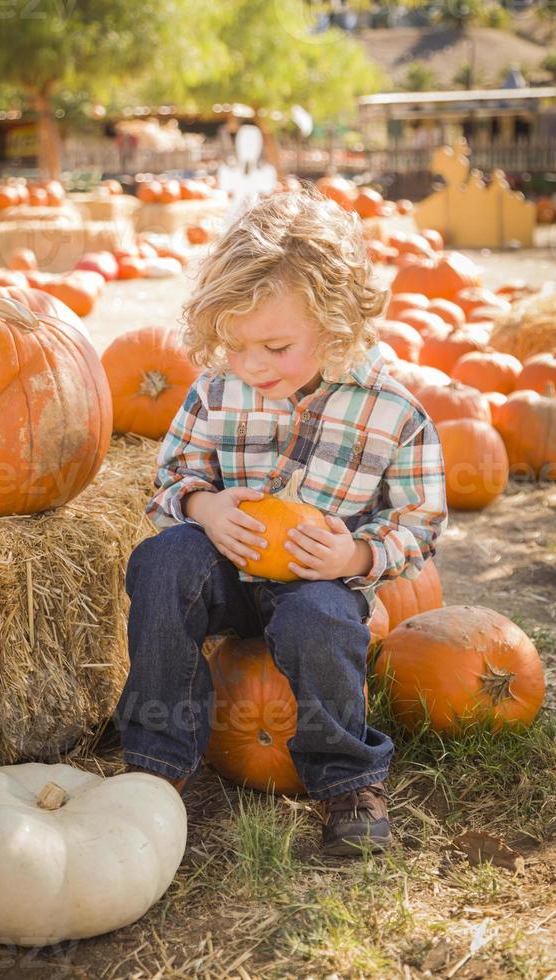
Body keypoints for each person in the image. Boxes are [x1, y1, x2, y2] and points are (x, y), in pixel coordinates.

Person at [112, 188, 448, 856]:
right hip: (226, 571)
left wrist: (353, 557)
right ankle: (156, 765)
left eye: (274, 345)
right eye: (235, 346)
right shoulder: (216, 390)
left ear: (338, 324)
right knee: (161, 561)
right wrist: (205, 508)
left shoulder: (393, 411)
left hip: (316, 582)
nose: (252, 365)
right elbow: (172, 475)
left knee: (318, 622)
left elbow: (420, 520)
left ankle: (348, 781)